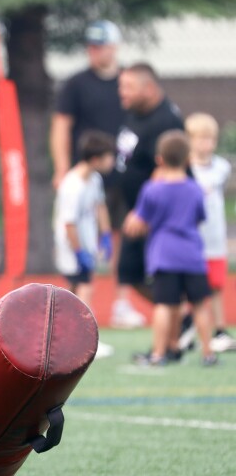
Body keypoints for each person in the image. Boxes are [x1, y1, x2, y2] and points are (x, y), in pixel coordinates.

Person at [49, 21, 144, 329]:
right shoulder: (76, 83)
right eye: (91, 46)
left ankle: (121, 302)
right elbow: (61, 126)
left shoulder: (127, 80)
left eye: (101, 45)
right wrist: (62, 167)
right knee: (79, 234)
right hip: (88, 175)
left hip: (121, 174)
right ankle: (76, 308)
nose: (95, 51)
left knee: (119, 236)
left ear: (114, 47)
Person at [123, 130, 216, 366]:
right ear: (187, 159)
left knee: (164, 305)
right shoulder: (195, 189)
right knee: (199, 305)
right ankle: (208, 354)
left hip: (164, 255)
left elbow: (140, 222)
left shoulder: (152, 189)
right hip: (192, 255)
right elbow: (198, 218)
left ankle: (158, 353)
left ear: (159, 160)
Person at [115, 63, 184, 314]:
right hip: (136, 209)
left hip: (155, 214)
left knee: (161, 274)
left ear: (149, 88)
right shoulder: (135, 111)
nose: (122, 92)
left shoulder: (166, 119)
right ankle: (181, 320)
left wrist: (144, 211)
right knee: (130, 272)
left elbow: (165, 169)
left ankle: (182, 321)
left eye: (129, 87)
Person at [53, 131, 116, 359]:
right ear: (96, 159)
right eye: (109, 156)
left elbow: (100, 207)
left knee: (71, 293)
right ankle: (86, 343)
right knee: (83, 291)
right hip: (72, 246)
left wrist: (106, 235)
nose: (113, 161)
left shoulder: (95, 179)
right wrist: (79, 252)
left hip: (87, 243)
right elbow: (68, 223)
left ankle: (60, 338)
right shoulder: (73, 185)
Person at [184, 113, 235, 353]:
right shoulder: (184, 168)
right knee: (190, 288)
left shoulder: (220, 167)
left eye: (210, 138)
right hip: (192, 241)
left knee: (215, 285)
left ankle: (220, 330)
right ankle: (188, 330)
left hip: (214, 239)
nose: (206, 144)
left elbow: (210, 185)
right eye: (201, 138)